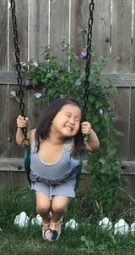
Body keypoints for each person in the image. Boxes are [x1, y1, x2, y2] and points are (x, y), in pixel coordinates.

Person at [15, 97, 100, 241]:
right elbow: (21, 141)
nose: (73, 121)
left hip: (64, 181)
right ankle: (45, 221)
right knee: (42, 207)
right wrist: (20, 128)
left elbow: (93, 147)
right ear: (52, 117)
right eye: (68, 116)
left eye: (77, 119)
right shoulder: (36, 135)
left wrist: (90, 132)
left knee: (59, 207)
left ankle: (55, 221)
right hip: (40, 179)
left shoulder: (73, 143)